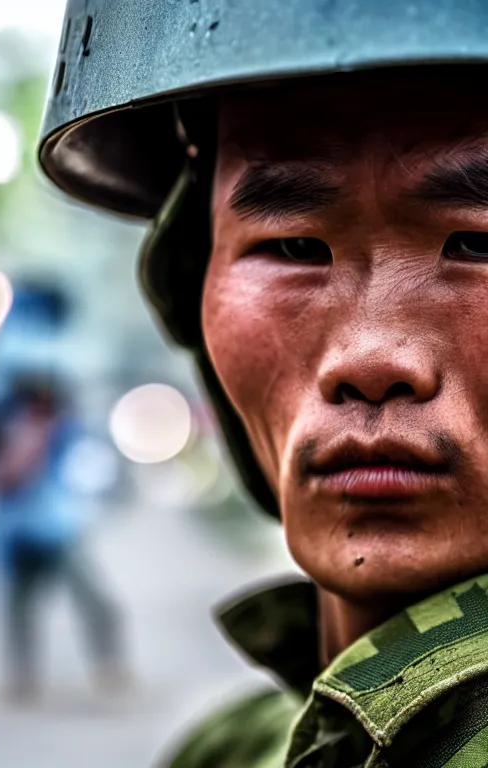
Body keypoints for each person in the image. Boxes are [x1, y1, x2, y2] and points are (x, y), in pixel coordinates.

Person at [38, 2, 488, 764]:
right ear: (193, 286)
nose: (368, 361)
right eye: (293, 247)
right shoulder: (232, 750)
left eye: (476, 242)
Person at [0, 373, 126, 702]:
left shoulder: (65, 433)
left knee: (95, 602)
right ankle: (22, 676)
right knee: (19, 608)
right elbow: (0, 478)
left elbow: (91, 470)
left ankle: (109, 665)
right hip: (19, 534)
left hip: (57, 531)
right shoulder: (4, 430)